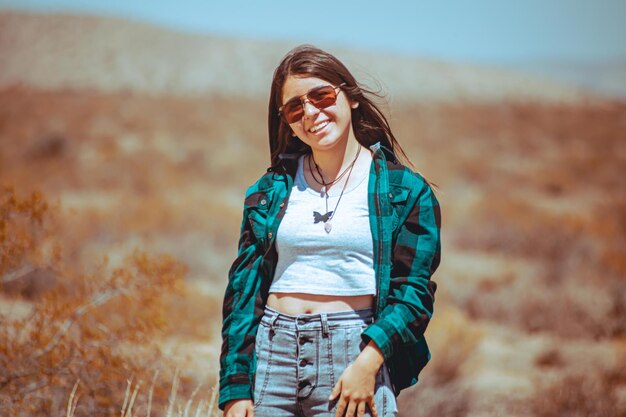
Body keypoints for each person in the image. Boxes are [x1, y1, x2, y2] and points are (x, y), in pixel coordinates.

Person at [218, 44, 441, 417]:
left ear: (349, 96)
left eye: (321, 95)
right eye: (294, 107)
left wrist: (368, 364)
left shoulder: (404, 191)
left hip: (353, 356)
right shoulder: (270, 190)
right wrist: (236, 387)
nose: (310, 113)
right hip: (272, 356)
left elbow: (414, 293)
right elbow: (244, 291)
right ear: (286, 120)